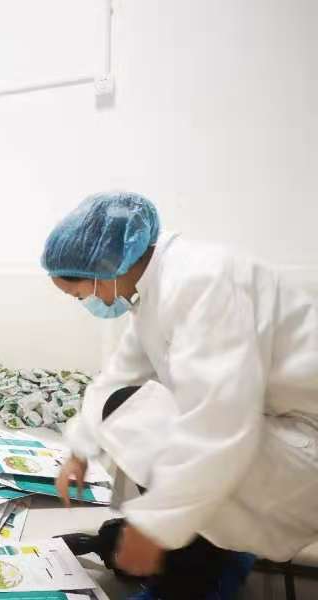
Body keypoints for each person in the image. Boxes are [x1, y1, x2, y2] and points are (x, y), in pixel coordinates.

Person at [41, 191, 318, 599]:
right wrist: (79, 450)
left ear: (103, 269)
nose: (89, 304)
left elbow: (217, 424)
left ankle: (199, 578)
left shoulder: (202, 283)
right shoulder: (159, 288)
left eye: (81, 294)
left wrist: (155, 525)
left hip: (304, 455)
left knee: (141, 417)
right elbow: (118, 375)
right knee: (120, 405)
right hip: (270, 434)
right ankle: (203, 553)